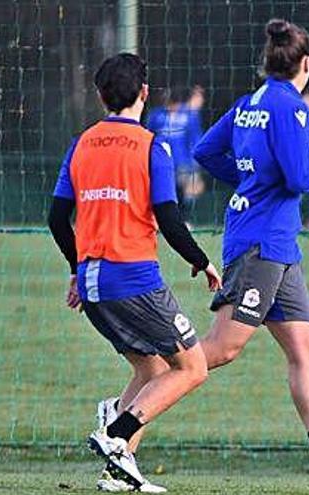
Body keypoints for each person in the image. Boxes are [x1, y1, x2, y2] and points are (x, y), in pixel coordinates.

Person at [191, 19, 309, 487]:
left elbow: (204, 151)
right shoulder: (292, 109)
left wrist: (250, 178)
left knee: (306, 349)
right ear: (306, 63)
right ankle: (127, 409)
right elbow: (301, 178)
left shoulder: (249, 103)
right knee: (222, 349)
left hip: (278, 245)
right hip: (262, 243)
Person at [47, 53, 222, 492]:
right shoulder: (151, 147)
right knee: (192, 366)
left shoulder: (81, 143)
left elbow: (56, 218)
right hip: (134, 280)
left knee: (152, 370)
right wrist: (201, 261)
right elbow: (168, 218)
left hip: (93, 284)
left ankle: (119, 473)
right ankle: (116, 434)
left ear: (100, 96)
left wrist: (77, 267)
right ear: (144, 94)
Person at [146, 85, 205, 223]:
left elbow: (195, 137)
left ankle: (184, 220)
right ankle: (159, 221)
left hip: (182, 161)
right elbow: (148, 135)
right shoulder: (156, 115)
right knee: (162, 192)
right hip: (161, 161)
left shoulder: (189, 115)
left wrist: (195, 160)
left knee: (184, 192)